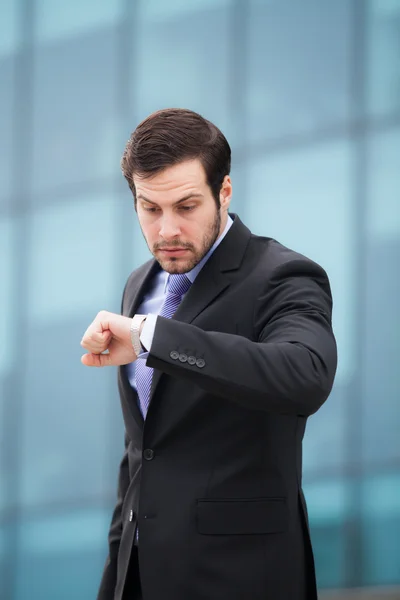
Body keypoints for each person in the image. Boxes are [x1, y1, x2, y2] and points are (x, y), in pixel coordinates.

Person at [80, 108, 337, 600]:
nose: (167, 231)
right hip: (140, 579)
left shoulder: (283, 276)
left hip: (241, 577)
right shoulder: (140, 285)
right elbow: (141, 455)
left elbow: (306, 374)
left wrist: (154, 338)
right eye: (150, 209)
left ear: (224, 192)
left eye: (186, 205)